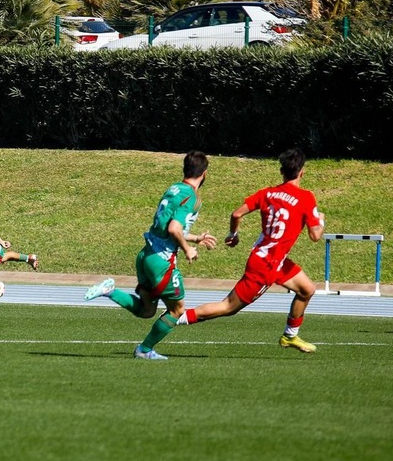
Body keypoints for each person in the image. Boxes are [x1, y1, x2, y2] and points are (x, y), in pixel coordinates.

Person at [166, 148, 326, 353]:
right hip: (266, 266)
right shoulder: (306, 198)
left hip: (273, 259)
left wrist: (233, 235)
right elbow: (315, 236)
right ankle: (176, 318)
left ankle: (290, 336)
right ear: (302, 171)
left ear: (281, 171)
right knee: (228, 307)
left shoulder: (267, 193)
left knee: (307, 290)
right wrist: (319, 219)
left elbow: (236, 213)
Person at [84, 151, 218, 360]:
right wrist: (187, 249)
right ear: (205, 174)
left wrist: (195, 238)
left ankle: (109, 291)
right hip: (161, 261)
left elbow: (168, 227)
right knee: (177, 310)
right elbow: (174, 229)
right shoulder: (191, 196)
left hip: (146, 255)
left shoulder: (174, 189)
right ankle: (144, 350)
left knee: (147, 310)